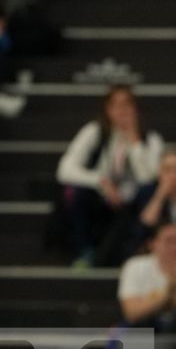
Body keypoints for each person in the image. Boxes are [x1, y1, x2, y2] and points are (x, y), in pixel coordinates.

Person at [56, 86, 163, 266]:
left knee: (150, 192)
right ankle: (84, 251)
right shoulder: (95, 132)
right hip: (101, 199)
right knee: (75, 192)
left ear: (136, 109)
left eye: (127, 104)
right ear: (107, 109)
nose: (122, 110)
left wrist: (134, 142)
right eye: (116, 105)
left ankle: (139, 251)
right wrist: (100, 181)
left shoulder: (151, 140)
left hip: (133, 201)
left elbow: (148, 178)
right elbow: (64, 169)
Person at [117, 222, 176, 328]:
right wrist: (165, 297)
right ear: (152, 243)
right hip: (144, 327)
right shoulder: (134, 266)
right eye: (169, 241)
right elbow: (131, 312)